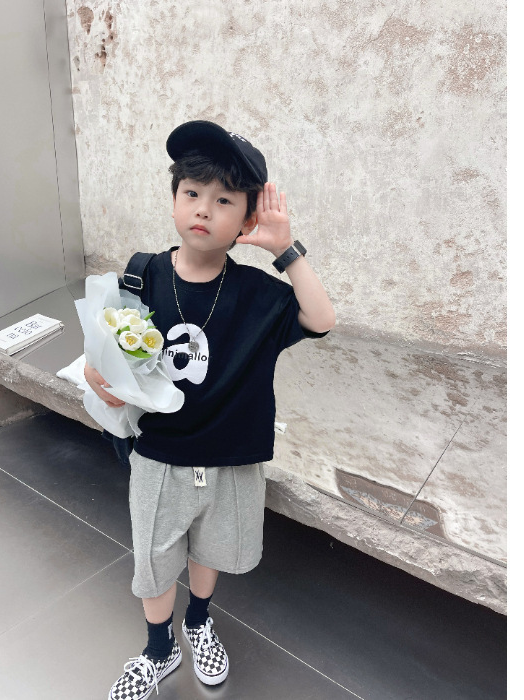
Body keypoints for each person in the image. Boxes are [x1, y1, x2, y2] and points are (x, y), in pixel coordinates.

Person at [84, 120, 336, 700]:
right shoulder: (140, 275)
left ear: (246, 221)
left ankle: (198, 621)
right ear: (175, 199)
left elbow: (322, 320)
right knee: (153, 561)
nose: (203, 208)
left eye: (224, 200)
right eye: (192, 192)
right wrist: (99, 375)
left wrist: (285, 249)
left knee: (212, 550)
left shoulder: (257, 295)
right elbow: (104, 350)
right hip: (160, 455)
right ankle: (158, 649)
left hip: (232, 456)